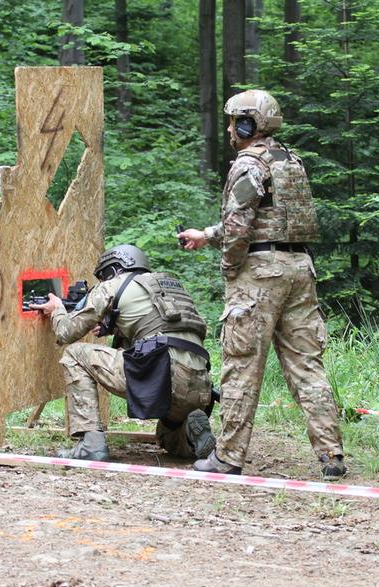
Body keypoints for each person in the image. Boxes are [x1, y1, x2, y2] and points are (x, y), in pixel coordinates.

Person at [177, 89, 346, 479]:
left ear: (249, 123)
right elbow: (270, 219)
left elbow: (240, 227)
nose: (231, 129)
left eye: (236, 121)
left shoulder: (247, 164)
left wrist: (230, 268)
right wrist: (206, 233)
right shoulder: (290, 161)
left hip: (260, 275)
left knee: (241, 365)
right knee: (307, 366)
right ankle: (331, 454)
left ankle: (228, 457)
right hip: (300, 268)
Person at [30, 245, 215, 462]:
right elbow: (160, 330)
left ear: (113, 270)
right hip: (200, 386)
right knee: (167, 437)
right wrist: (115, 328)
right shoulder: (169, 287)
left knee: (74, 354)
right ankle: (191, 433)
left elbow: (65, 332)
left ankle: (91, 444)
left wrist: (57, 309)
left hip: (164, 375)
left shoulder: (113, 285)